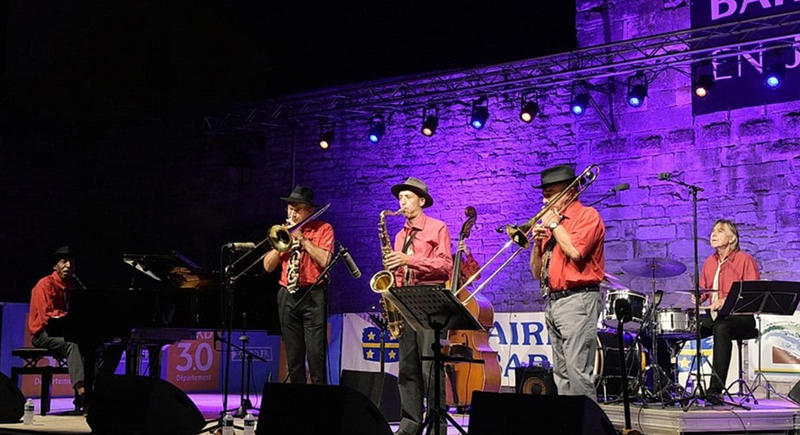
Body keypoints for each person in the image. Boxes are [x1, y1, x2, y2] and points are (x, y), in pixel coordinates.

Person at [529, 164, 605, 398]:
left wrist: (554, 224)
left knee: (577, 372)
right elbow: (536, 272)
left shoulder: (587, 216)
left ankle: (589, 427)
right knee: (560, 374)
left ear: (569, 192)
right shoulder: (552, 224)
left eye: (550, 195)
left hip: (578, 300)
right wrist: (536, 243)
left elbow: (575, 252)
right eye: (544, 195)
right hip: (553, 301)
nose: (545, 201)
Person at [385, 177, 453, 435]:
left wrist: (410, 260)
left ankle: (437, 426)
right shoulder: (399, 234)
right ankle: (410, 424)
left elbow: (445, 265)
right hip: (405, 300)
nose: (402, 202)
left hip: (430, 298)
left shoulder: (437, 228)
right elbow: (397, 270)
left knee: (430, 367)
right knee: (408, 367)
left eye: (408, 197)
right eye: (400, 197)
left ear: (421, 201)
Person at [263, 185, 334, 384]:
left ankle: (319, 405)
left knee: (315, 354)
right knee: (293, 356)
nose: (292, 213)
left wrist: (303, 239)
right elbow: (268, 266)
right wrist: (280, 245)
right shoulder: (281, 231)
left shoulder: (323, 228)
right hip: (287, 293)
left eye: (297, 209)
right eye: (290, 209)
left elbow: (325, 260)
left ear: (309, 211)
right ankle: (297, 404)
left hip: (313, 294)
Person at [696, 219, 759, 399]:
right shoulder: (709, 262)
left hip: (741, 317)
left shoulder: (745, 260)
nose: (713, 234)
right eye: (713, 231)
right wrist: (699, 296)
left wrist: (726, 300)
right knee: (680, 328)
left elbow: (751, 294)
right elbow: (705, 291)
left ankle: (715, 390)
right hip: (716, 315)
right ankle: (667, 385)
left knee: (721, 328)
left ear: (732, 239)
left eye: (720, 231)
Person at [27, 246, 86, 406]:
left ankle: (96, 389)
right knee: (72, 344)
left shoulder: (73, 287)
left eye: (72, 263)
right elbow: (47, 318)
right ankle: (82, 392)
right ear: (55, 266)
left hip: (63, 331)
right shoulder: (44, 284)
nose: (68, 266)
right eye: (64, 262)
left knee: (96, 345)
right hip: (43, 333)